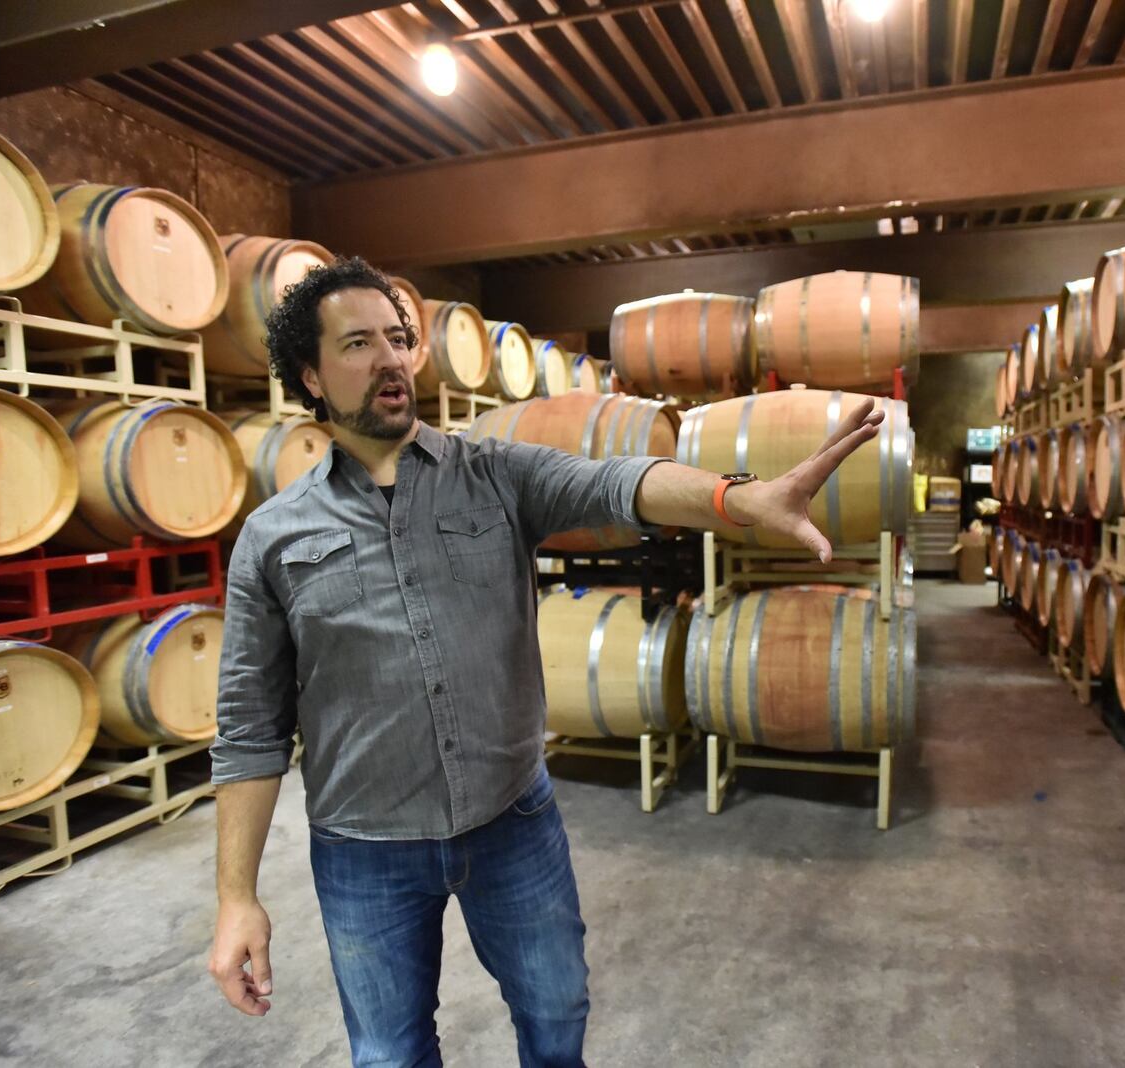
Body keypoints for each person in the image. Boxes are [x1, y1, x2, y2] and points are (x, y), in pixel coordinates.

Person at [206, 257, 883, 1068]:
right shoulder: (272, 536)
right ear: (311, 376)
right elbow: (249, 728)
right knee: (389, 1053)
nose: (389, 358)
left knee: (557, 1012)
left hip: (511, 822)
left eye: (397, 338)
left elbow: (616, 484)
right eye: (358, 344)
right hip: (365, 845)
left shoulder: (495, 474)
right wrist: (236, 897)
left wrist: (737, 500)